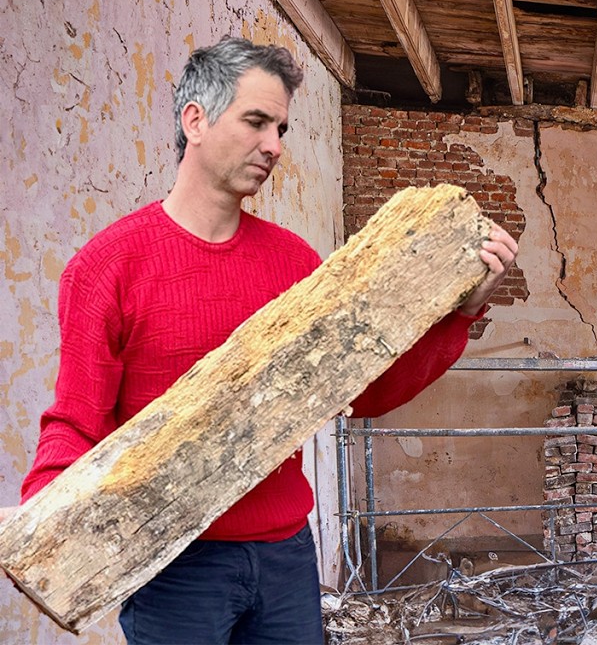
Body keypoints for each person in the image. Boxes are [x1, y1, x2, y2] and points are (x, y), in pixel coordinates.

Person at [15, 37, 518, 643]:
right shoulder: (108, 266)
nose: (274, 146)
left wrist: (461, 314)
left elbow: (367, 393)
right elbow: (75, 419)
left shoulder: (296, 264)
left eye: (280, 127)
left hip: (285, 558)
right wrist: (44, 530)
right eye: (256, 121)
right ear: (194, 120)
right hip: (174, 571)